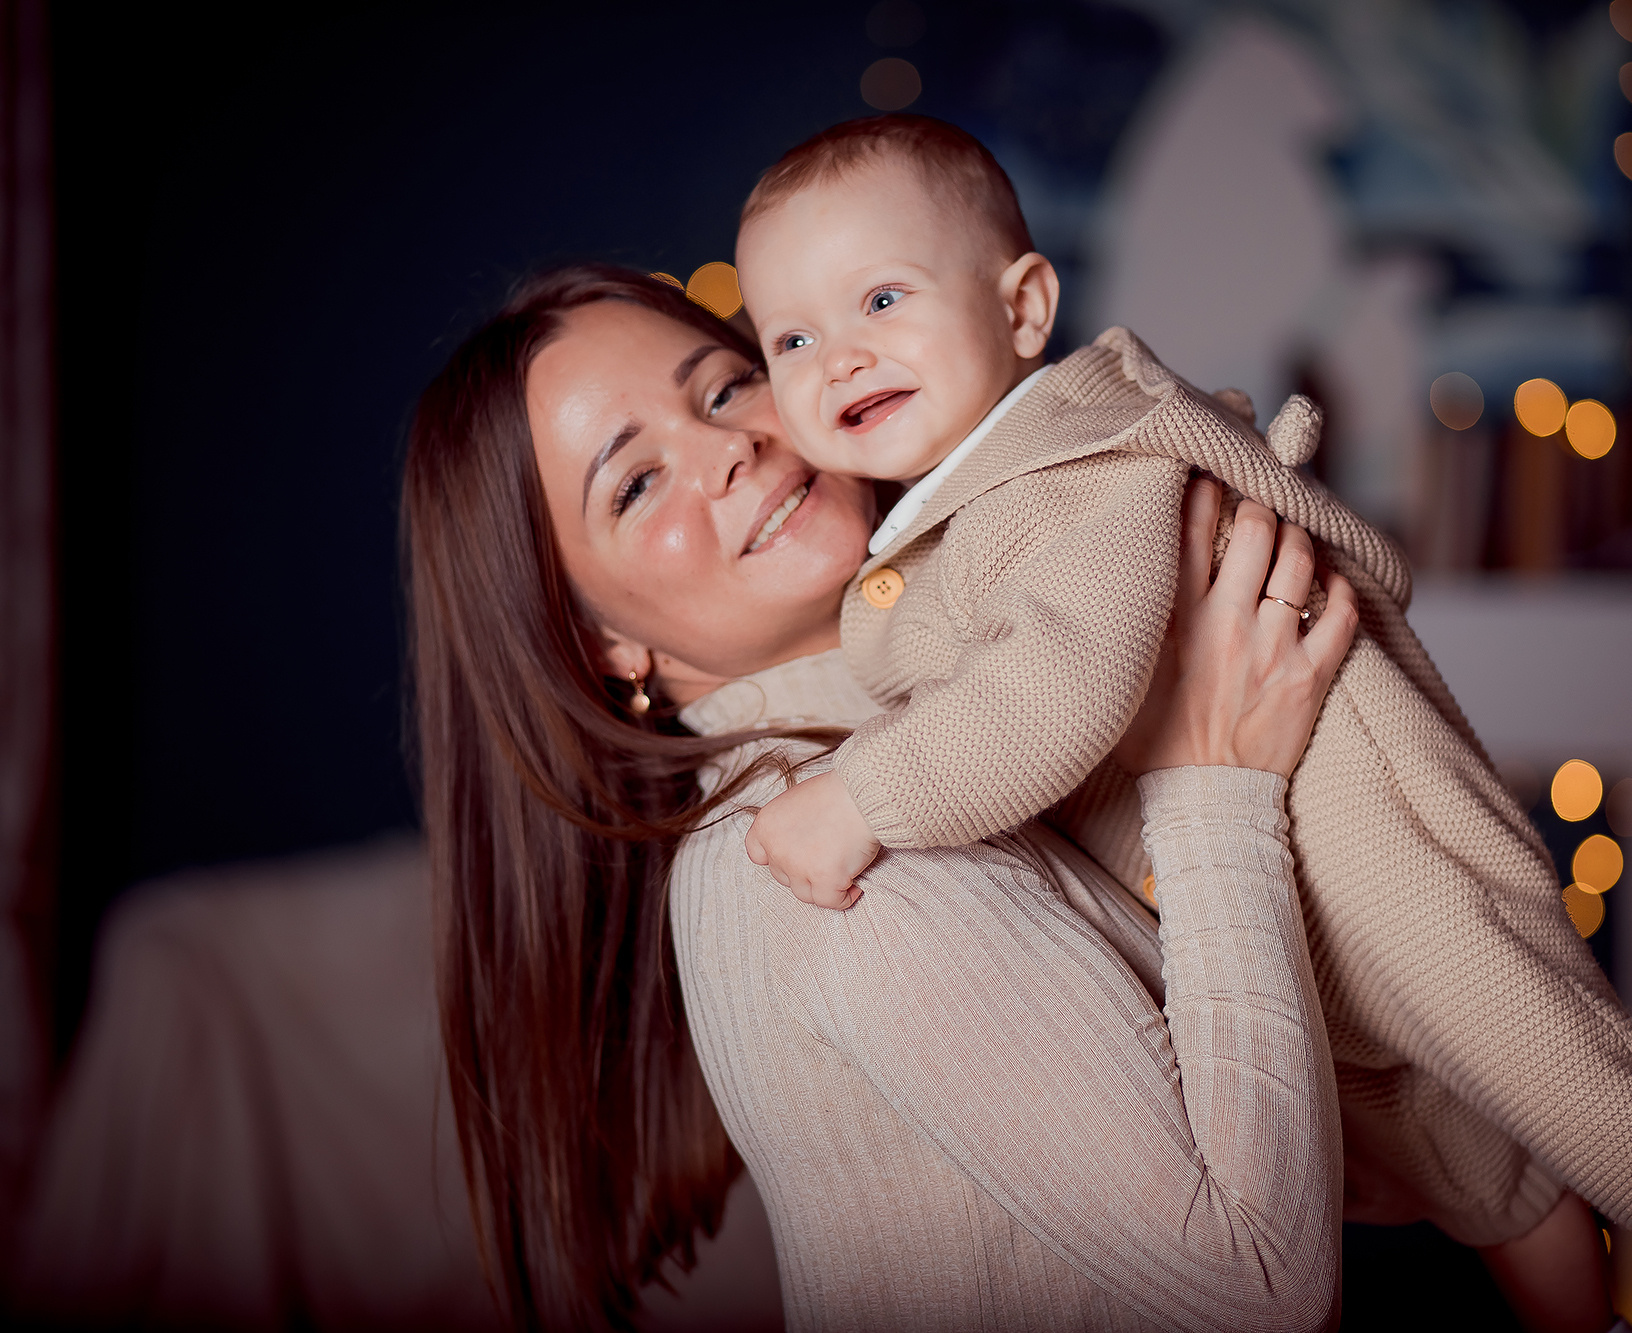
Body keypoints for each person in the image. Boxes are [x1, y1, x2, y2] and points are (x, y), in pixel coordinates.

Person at [726, 115, 1632, 1333]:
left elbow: (1055, 691)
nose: (838, 359)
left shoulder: (1080, 470)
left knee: (1576, 1080)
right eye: (791, 336)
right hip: (1286, 895)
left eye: (881, 301)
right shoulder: (968, 509)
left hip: (1382, 852)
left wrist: (861, 799)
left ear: (1021, 310)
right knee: (1471, 1158)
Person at [404, 264, 1358, 1331]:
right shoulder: (818, 857)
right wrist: (1216, 786)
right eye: (634, 484)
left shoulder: (950, 739)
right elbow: (1262, 1285)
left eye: (722, 388)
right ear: (599, 641)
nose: (728, 448)